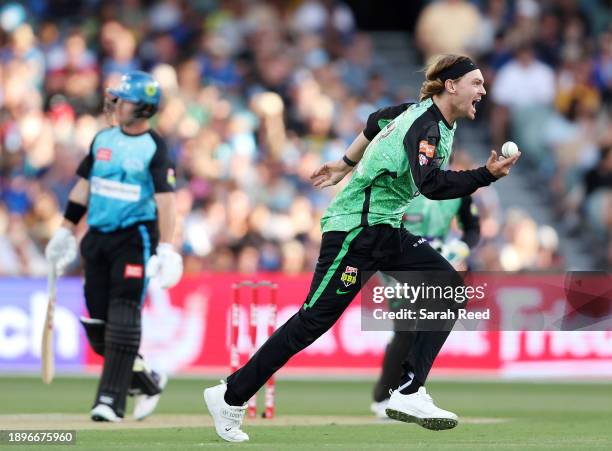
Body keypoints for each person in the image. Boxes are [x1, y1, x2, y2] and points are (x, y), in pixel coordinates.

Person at [204, 54, 520, 442]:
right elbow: (431, 186)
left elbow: (376, 121)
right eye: (476, 83)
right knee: (311, 322)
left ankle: (409, 390)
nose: (483, 91)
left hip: (384, 229)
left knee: (449, 288)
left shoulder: (420, 113)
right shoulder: (425, 126)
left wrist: (344, 162)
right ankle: (229, 394)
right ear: (451, 86)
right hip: (355, 230)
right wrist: (486, 175)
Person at [45, 70, 183, 422]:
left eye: (124, 98)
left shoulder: (155, 147)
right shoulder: (103, 138)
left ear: (143, 108)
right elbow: (83, 186)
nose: (116, 103)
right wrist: (64, 230)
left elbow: (167, 203)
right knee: (97, 325)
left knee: (123, 313)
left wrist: (166, 248)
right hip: (97, 238)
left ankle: (109, 401)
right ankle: (148, 381)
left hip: (133, 238)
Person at [370, 193, 480, 418]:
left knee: (422, 324)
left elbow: (473, 228)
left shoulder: (458, 191)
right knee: (406, 328)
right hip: (398, 259)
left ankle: (404, 391)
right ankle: (386, 396)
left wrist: (461, 246)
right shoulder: (406, 183)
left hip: (435, 262)